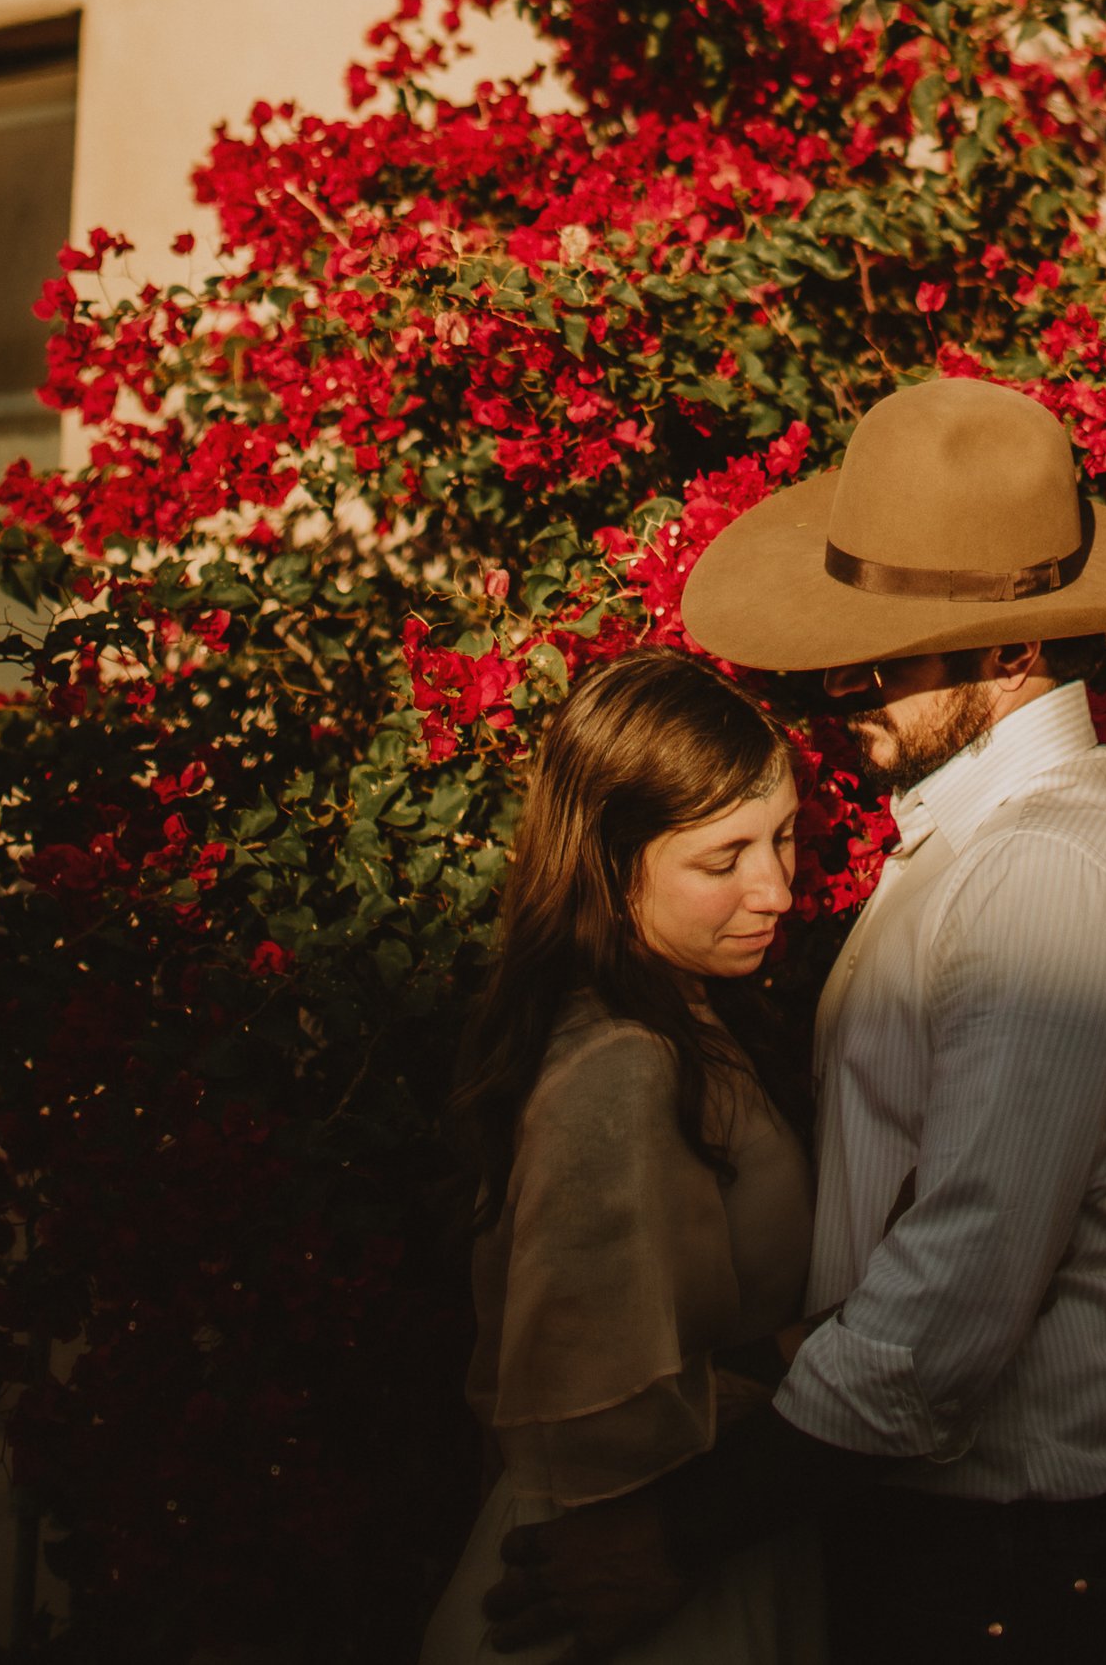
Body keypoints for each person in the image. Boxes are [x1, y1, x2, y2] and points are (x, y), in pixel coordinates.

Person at [488, 373, 1106, 1665]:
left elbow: (952, 1300)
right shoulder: (977, 845)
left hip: (1012, 1576)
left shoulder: (1042, 877)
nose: (844, 682)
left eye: (881, 656)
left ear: (1010, 651)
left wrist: (674, 1533)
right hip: (952, 1553)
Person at [422, 647, 826, 1665]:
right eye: (723, 859)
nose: (775, 888)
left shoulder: (687, 1018)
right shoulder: (621, 1063)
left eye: (783, 839)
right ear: (612, 861)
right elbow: (602, 1409)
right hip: (630, 1578)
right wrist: (807, 1349)